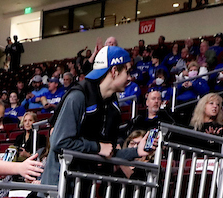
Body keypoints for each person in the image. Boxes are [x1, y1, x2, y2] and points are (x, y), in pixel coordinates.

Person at [41, 46, 151, 189]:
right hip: (59, 189)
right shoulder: (78, 96)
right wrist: (97, 147)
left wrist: (136, 152)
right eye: (127, 71)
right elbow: (60, 142)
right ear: (114, 71)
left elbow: (108, 151)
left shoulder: (112, 106)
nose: (130, 77)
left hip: (84, 189)